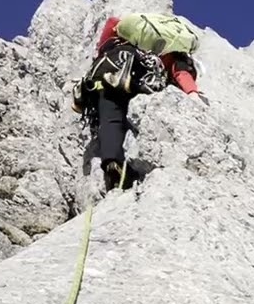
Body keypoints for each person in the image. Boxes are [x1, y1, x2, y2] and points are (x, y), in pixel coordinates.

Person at [72, 14, 208, 192]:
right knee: (126, 117)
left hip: (101, 76)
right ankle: (123, 169)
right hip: (132, 79)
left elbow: (112, 22)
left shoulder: (122, 37)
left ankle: (112, 161)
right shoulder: (176, 55)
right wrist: (193, 94)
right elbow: (181, 74)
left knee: (110, 119)